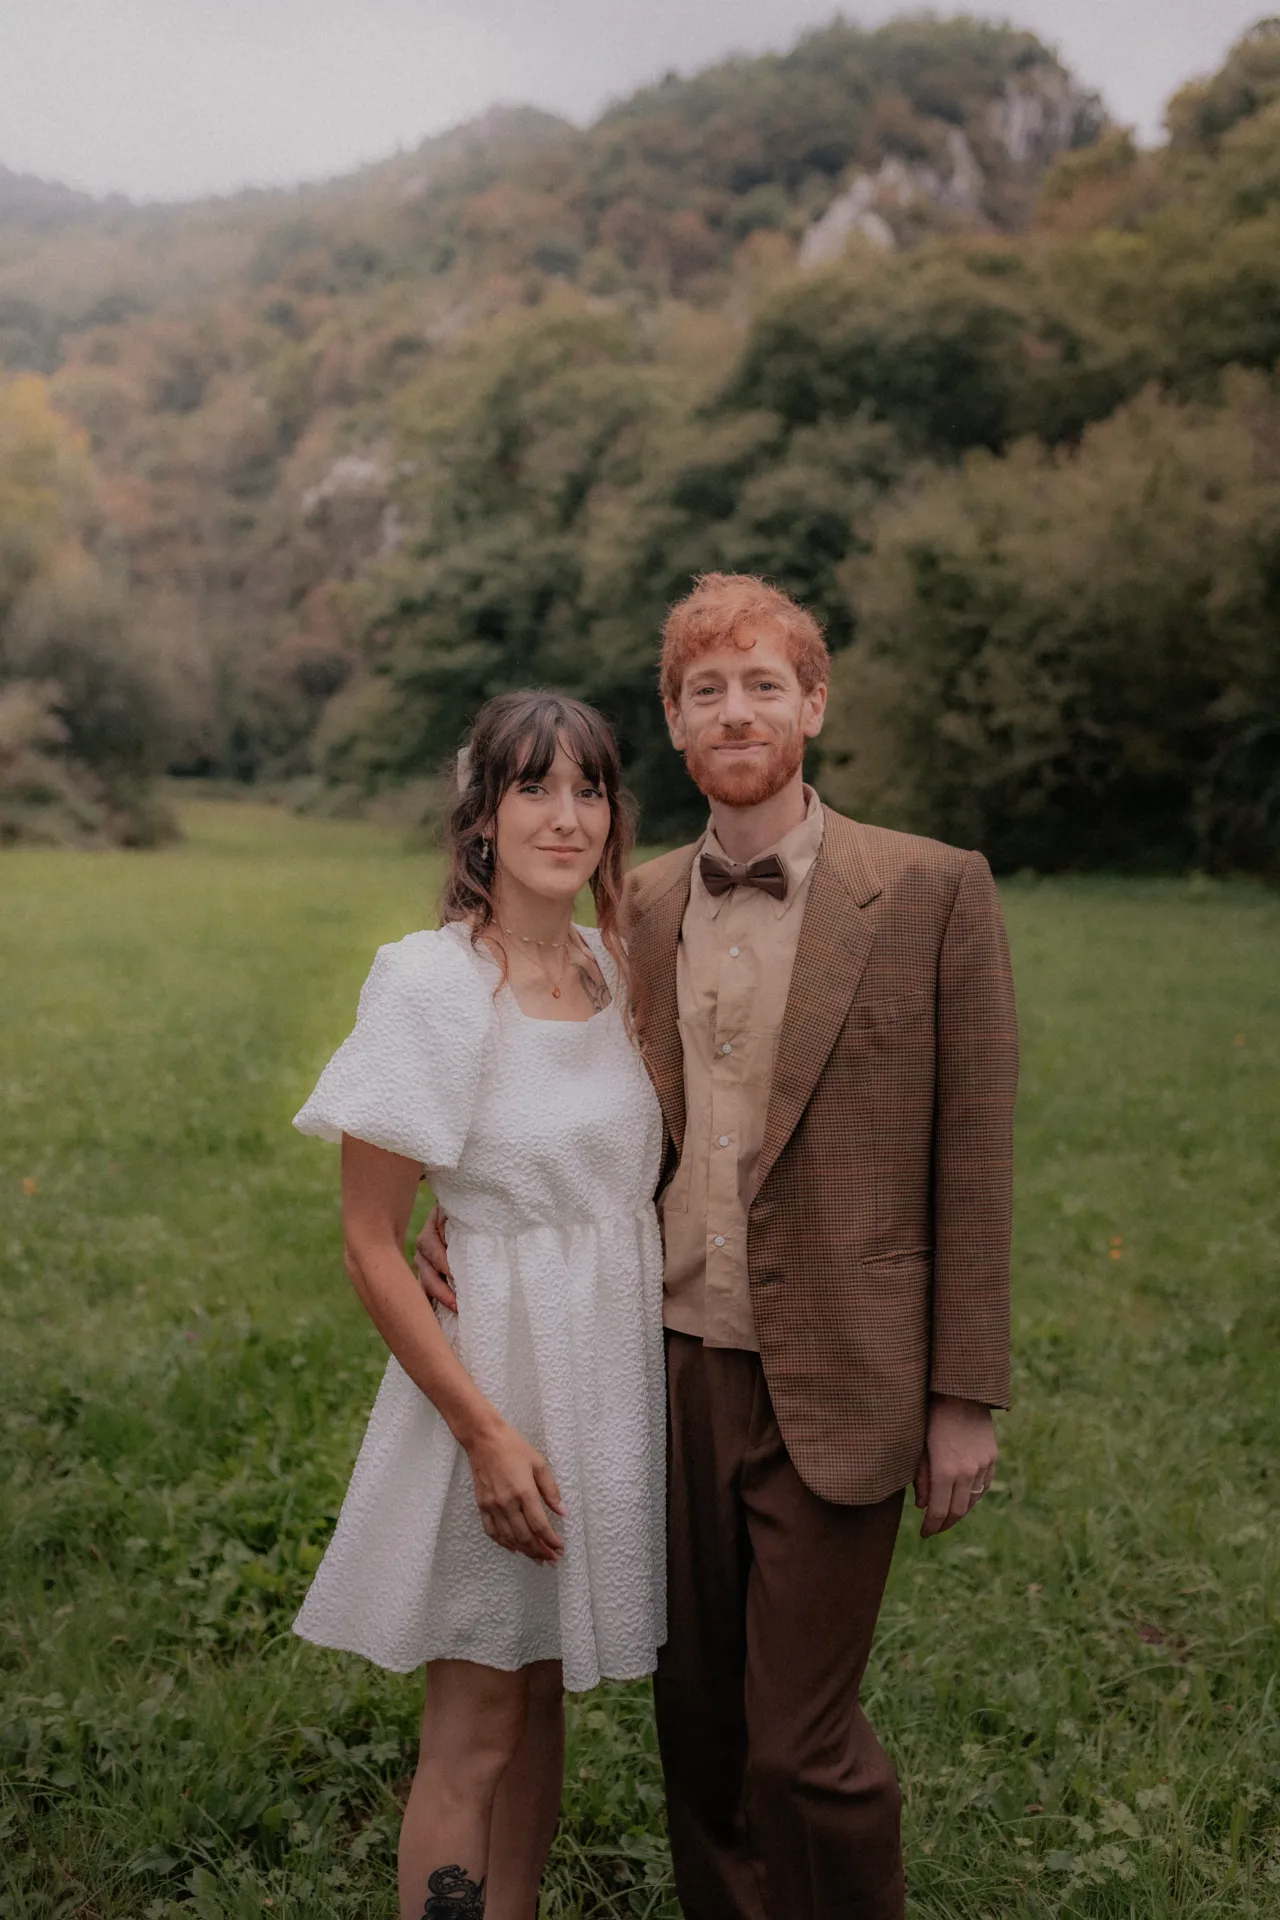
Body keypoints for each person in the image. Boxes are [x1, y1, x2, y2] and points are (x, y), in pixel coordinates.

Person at [419, 573, 1019, 1920]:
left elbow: (974, 1158)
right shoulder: (622, 910)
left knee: (800, 1745)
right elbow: (534, 1086)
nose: (735, 710)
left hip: (851, 1368)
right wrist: (445, 1211)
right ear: (677, 729)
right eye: (705, 691)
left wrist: (963, 1394)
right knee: (694, 1726)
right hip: (661, 1364)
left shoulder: (932, 892)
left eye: (763, 684)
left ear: (814, 701)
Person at [292, 691, 666, 1920]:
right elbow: (367, 1239)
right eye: (533, 788)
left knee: (542, 1694)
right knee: (477, 1727)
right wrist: (485, 1433)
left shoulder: (616, 970)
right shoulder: (433, 983)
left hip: (599, 1379)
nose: (566, 816)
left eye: (590, 789)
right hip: (490, 1389)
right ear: (482, 818)